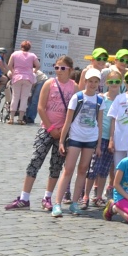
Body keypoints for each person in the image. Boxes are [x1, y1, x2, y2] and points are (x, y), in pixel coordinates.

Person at [6, 56, 74, 211]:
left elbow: (74, 112)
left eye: (62, 68)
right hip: (46, 129)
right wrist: (51, 128)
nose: (59, 71)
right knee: (35, 160)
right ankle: (24, 198)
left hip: (63, 133)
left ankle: (47, 198)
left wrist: (63, 131)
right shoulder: (49, 83)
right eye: (56, 67)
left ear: (69, 70)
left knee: (56, 165)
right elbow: (41, 108)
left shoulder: (74, 87)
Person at [53, 68, 105, 216]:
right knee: (68, 169)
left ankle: (75, 203)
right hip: (76, 137)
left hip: (90, 139)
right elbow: (68, 120)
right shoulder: (78, 97)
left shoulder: (100, 100)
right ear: (85, 81)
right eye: (90, 81)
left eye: (95, 81)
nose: (93, 84)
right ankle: (57, 203)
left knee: (83, 170)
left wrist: (99, 145)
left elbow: (99, 123)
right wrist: (61, 141)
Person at [86, 69, 123, 207]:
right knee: (93, 168)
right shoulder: (101, 98)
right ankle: (86, 195)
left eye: (117, 81)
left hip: (113, 138)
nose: (114, 84)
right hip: (99, 137)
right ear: (107, 83)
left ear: (121, 83)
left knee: (104, 170)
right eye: (111, 81)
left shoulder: (122, 100)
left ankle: (99, 196)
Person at [7, 41, 40, 124]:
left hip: (17, 77)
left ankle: (11, 118)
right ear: (29, 48)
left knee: (15, 97)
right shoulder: (32, 55)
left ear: (21, 46)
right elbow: (38, 65)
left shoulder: (15, 54)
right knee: (24, 98)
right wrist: (33, 71)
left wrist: (13, 72)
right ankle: (20, 118)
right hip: (28, 78)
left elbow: (9, 65)